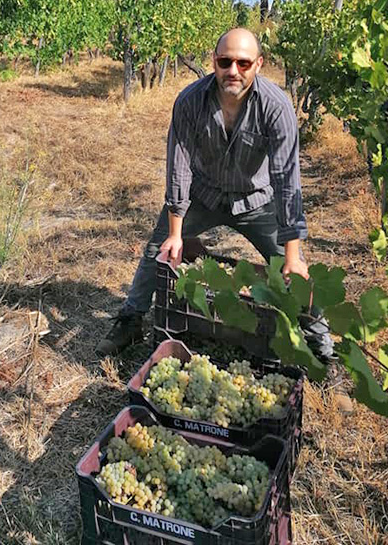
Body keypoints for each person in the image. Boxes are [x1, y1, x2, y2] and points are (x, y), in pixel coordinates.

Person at [97, 27, 334, 360]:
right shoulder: (191, 100)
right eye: (225, 61)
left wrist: (292, 254)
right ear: (214, 61)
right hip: (203, 195)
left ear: (259, 64)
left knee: (294, 271)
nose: (233, 71)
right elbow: (178, 167)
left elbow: (286, 179)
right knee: (159, 249)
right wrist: (177, 233)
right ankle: (131, 318)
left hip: (257, 200)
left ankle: (321, 348)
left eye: (243, 63)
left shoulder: (276, 107)